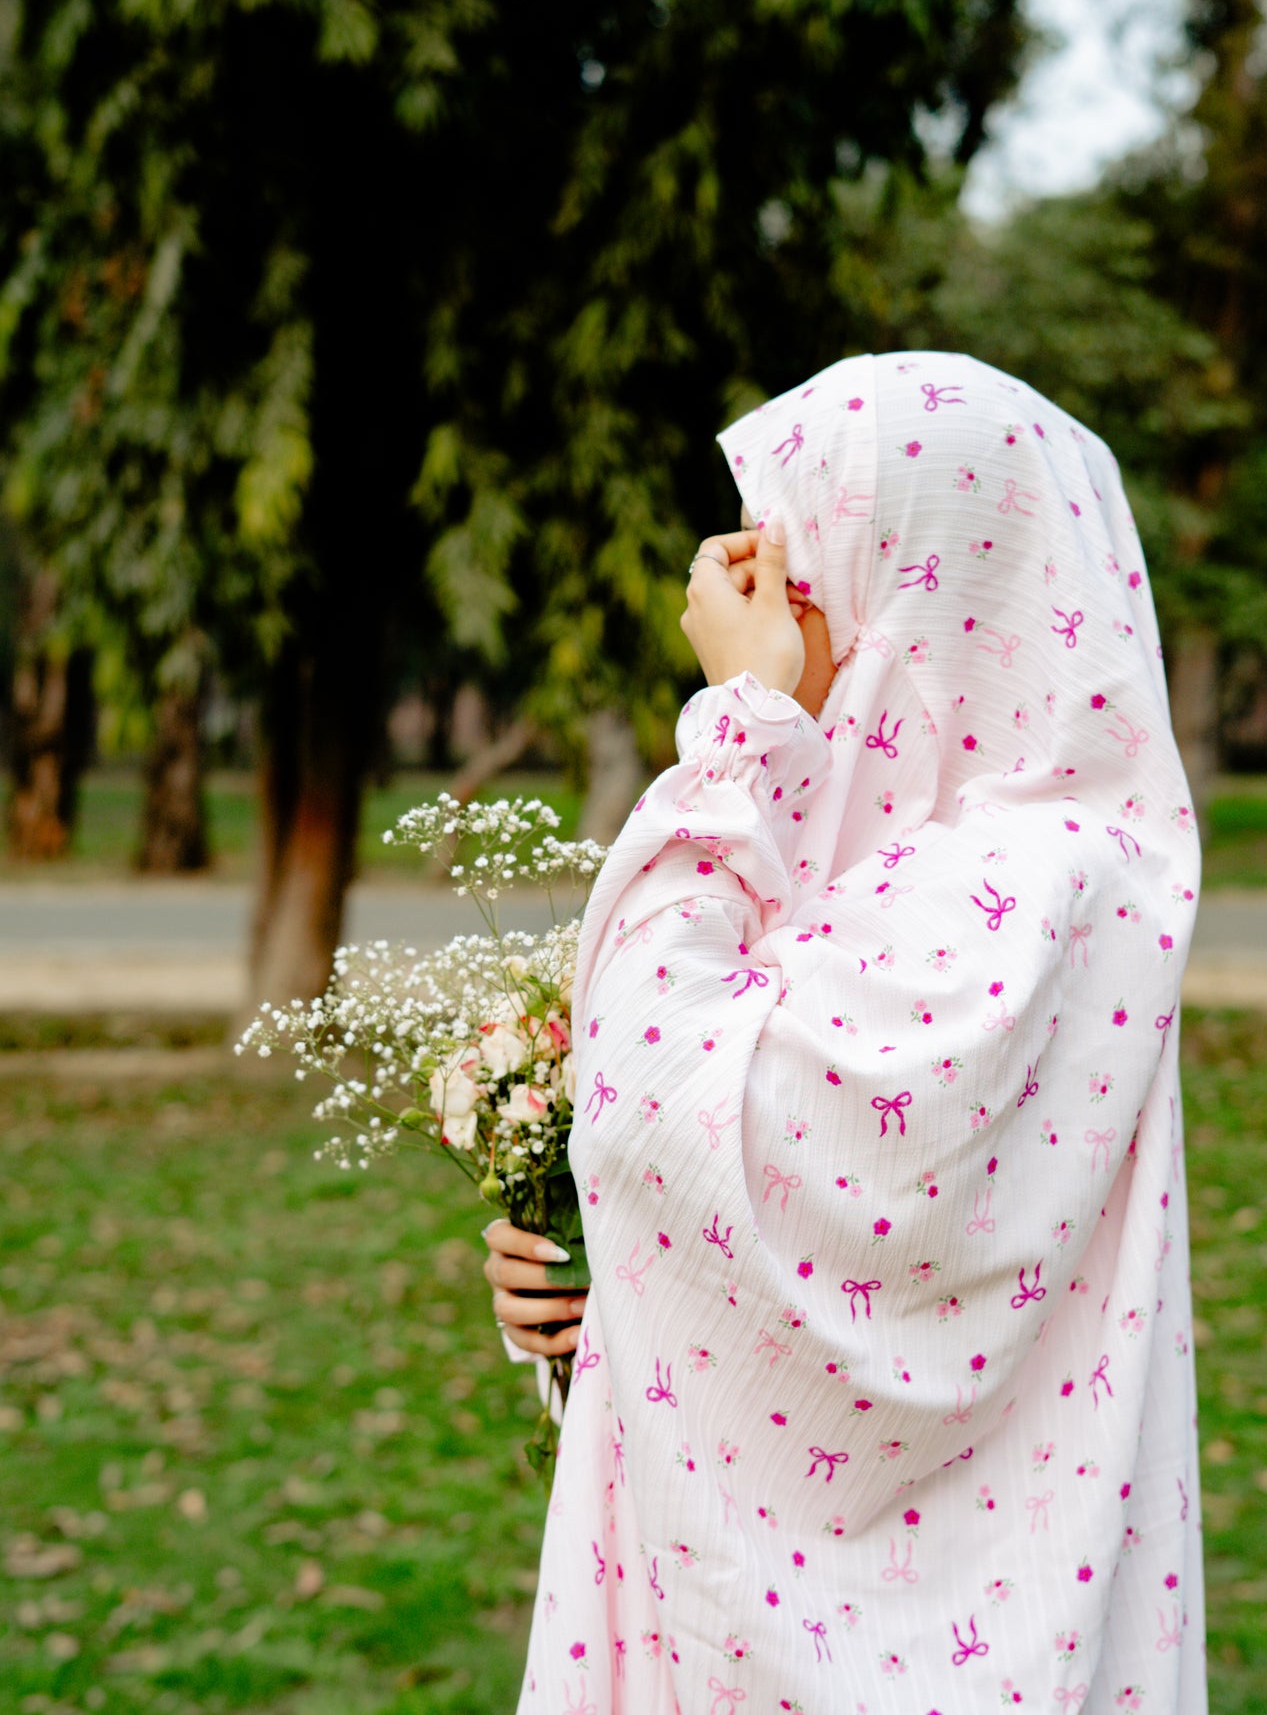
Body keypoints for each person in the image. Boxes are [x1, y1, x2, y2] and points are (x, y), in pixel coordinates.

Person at [485, 351, 1206, 1712]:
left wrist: (744, 723)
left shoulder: (1016, 890)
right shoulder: (907, 866)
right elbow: (737, 1238)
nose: (757, 614)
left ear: (920, 599)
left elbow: (652, 1094)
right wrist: (586, 1276)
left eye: (794, 575)